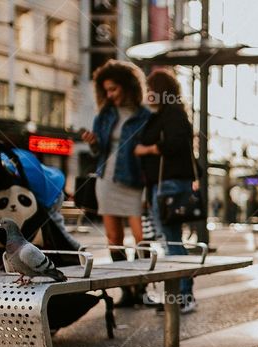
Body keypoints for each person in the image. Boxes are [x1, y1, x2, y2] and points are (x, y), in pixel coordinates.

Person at [82, 60, 151, 307]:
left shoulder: (145, 116)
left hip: (134, 182)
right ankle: (126, 290)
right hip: (107, 180)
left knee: (142, 238)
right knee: (114, 238)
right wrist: (92, 142)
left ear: (128, 86)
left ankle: (141, 286)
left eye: (114, 89)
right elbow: (97, 151)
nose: (110, 95)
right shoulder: (106, 114)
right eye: (106, 91)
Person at [135, 69, 199, 314]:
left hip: (170, 185)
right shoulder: (166, 113)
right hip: (163, 185)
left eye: (150, 89)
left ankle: (184, 294)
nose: (147, 94)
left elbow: (174, 143)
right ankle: (179, 294)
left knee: (171, 241)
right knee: (170, 240)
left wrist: (147, 150)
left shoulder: (172, 114)